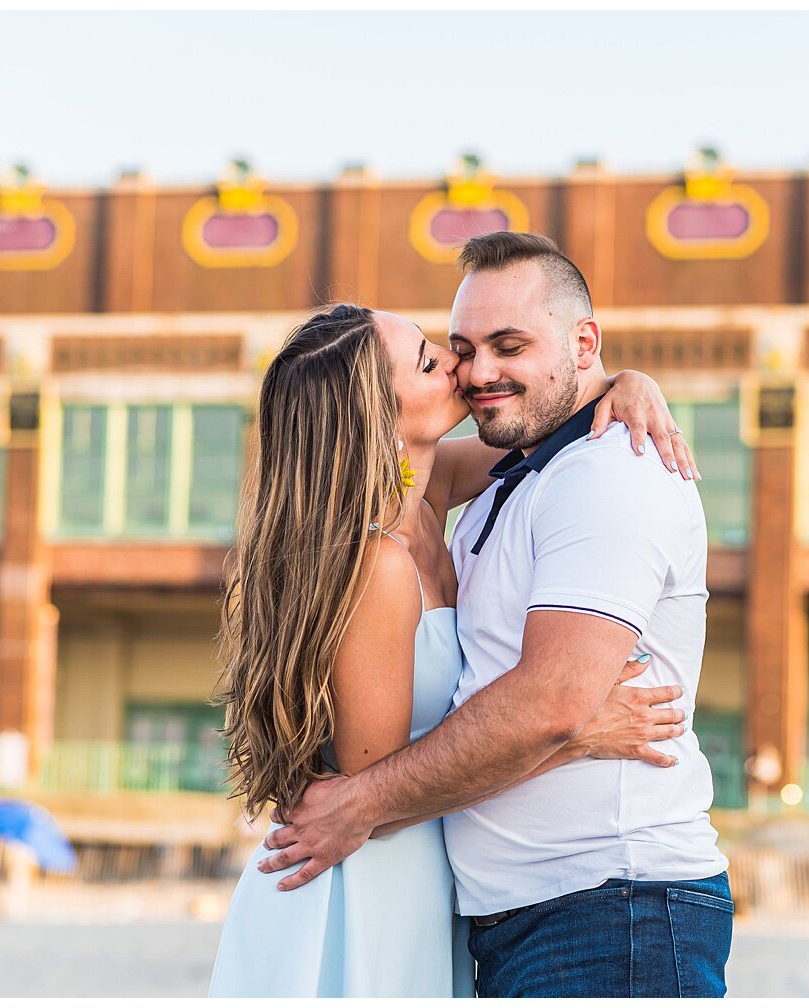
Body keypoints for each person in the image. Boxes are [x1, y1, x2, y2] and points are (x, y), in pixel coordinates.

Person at [257, 232, 733, 998]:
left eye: (505, 345)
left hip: (610, 902)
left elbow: (550, 700)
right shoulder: (418, 521)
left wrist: (625, 380)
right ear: (373, 409)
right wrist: (578, 730)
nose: (472, 371)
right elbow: (536, 714)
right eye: (446, 353)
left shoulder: (533, 478)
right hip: (474, 899)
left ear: (582, 342)